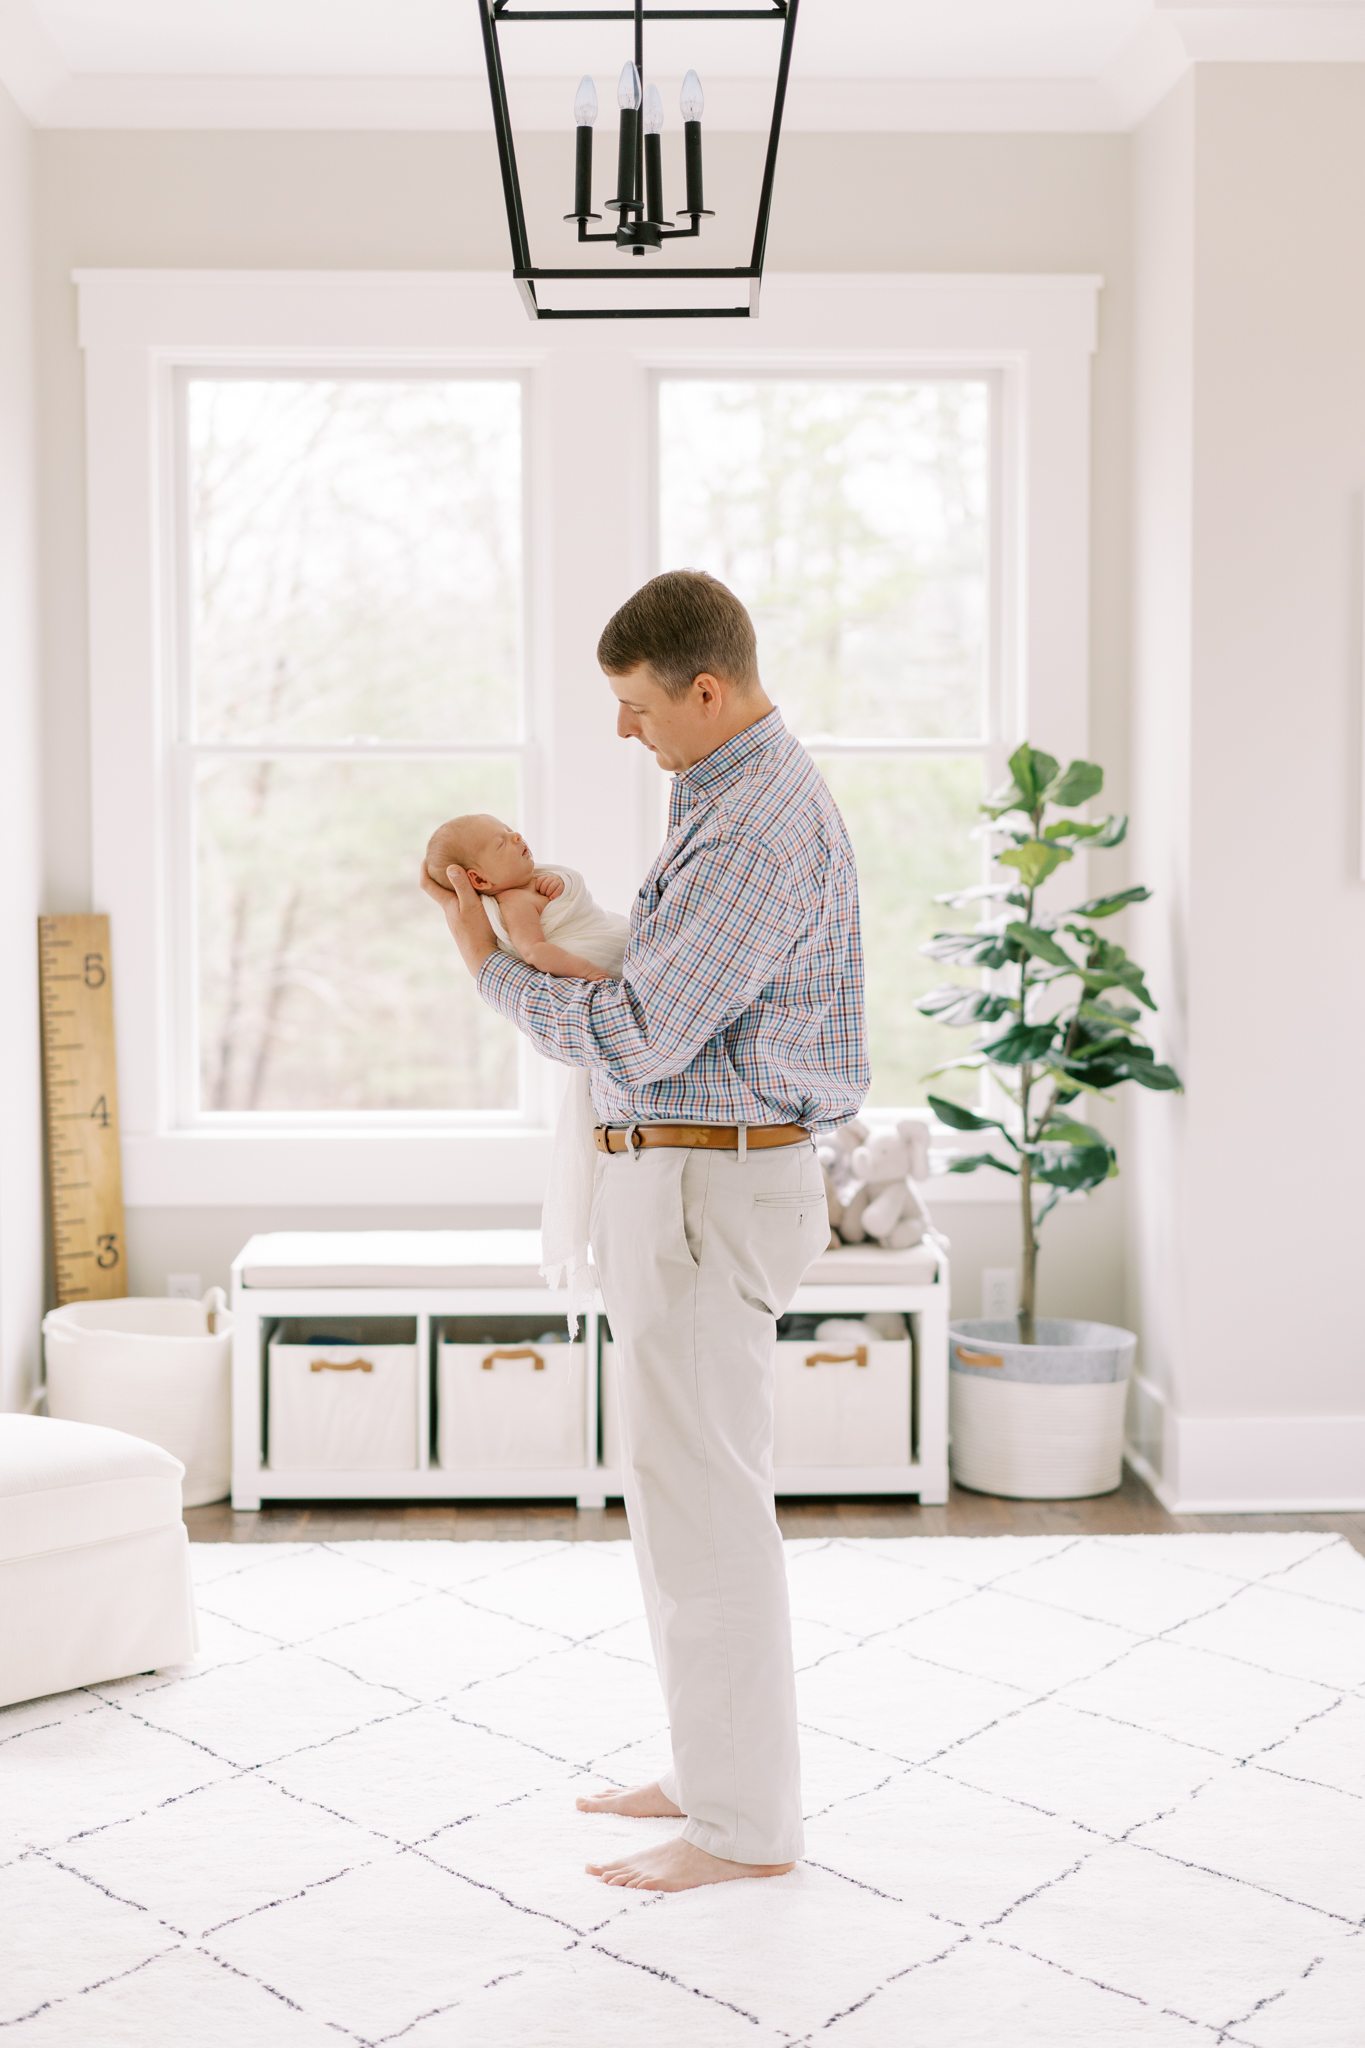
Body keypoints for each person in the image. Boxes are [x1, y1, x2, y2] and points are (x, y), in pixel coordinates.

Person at [419, 569, 868, 1893]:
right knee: (676, 1502)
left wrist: (486, 959)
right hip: (687, 1179)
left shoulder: (748, 826)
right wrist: (571, 922)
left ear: (705, 689)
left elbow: (641, 1034)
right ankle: (709, 1771)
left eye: (633, 704)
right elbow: (684, 988)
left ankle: (741, 1828)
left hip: (705, 1187)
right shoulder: (725, 795)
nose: (624, 729)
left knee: (706, 1506)